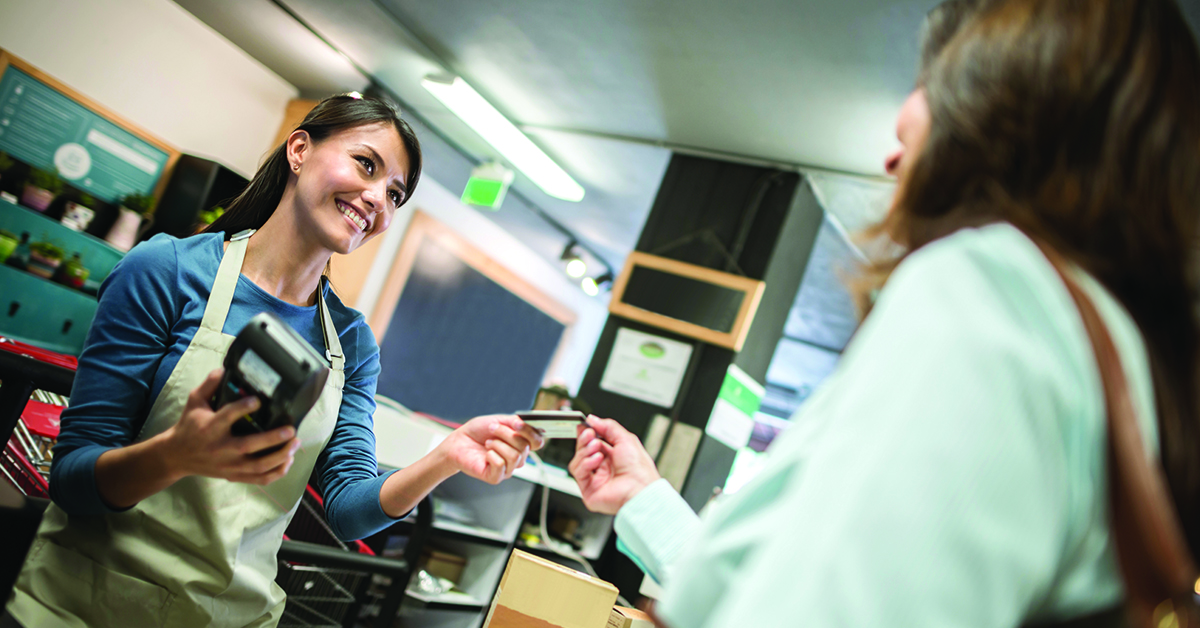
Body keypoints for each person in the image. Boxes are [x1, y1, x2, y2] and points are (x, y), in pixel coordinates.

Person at [569, 0, 1200, 626]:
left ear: (996, 100)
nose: (893, 158)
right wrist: (644, 500)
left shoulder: (987, 291)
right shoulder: (1112, 351)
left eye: (928, 86)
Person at [3, 94, 544, 627]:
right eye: (366, 163)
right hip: (84, 605)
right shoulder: (166, 271)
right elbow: (73, 481)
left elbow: (348, 507)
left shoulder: (351, 343)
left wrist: (445, 457)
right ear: (300, 150)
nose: (378, 196)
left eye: (395, 192)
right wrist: (176, 454)